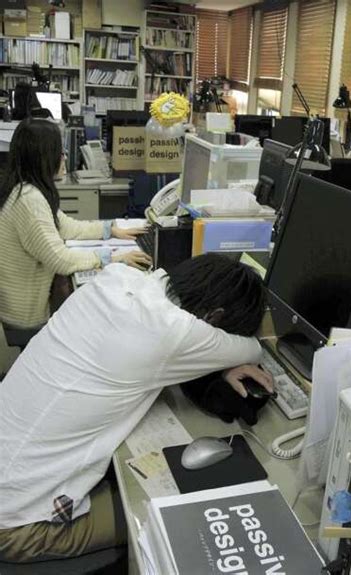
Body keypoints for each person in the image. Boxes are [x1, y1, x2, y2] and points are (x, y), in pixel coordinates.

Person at [0, 253, 273, 562]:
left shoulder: (117, 276)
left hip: (11, 465)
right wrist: (223, 361)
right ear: (215, 319)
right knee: (165, 512)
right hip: (17, 524)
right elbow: (252, 348)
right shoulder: (173, 332)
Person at [0, 118, 151, 336]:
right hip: (26, 314)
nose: (64, 158)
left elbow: (65, 226)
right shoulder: (29, 199)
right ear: (43, 157)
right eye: (59, 152)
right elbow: (59, 259)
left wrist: (109, 230)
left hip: (26, 302)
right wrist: (112, 258)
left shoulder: (26, 187)